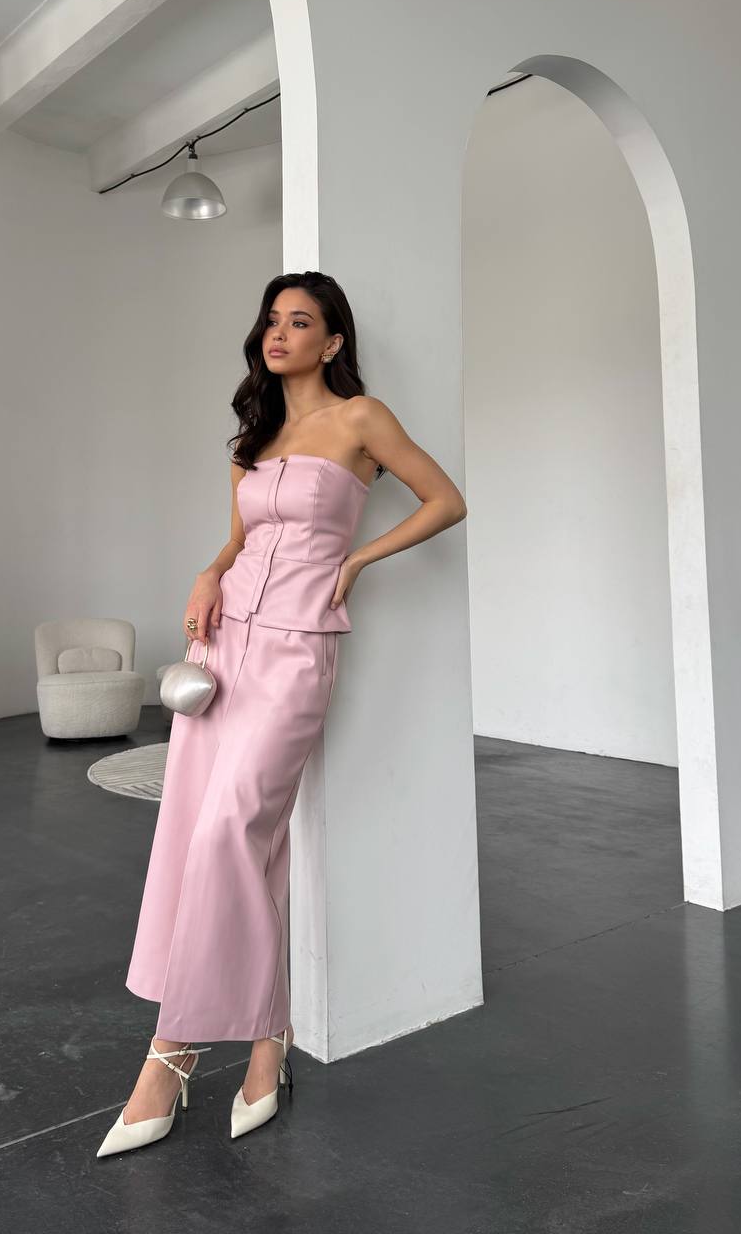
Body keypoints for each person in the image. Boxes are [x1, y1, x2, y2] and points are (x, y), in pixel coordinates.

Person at [97, 271, 467, 1156]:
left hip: (300, 648)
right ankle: (269, 1038)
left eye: (300, 321)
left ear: (333, 341)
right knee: (211, 833)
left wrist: (359, 561)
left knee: (235, 826)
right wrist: (204, 574)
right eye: (272, 319)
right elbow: (236, 539)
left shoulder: (362, 419)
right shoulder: (255, 433)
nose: (280, 332)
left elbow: (446, 500)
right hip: (225, 648)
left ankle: (171, 1051)